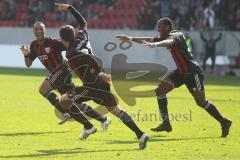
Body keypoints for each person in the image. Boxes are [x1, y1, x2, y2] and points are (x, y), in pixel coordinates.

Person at [115, 17, 232, 138]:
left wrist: (156, 44)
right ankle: (166, 123)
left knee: (201, 102)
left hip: (193, 73)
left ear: (167, 27)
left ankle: (224, 121)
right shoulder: (166, 36)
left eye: (160, 26)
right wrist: (130, 38)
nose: (158, 29)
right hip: (180, 73)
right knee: (160, 90)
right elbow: (150, 39)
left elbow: (169, 42)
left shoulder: (176, 35)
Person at [54, 3, 149, 149]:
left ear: (62, 40)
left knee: (63, 100)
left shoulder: (71, 53)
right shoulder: (82, 36)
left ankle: (88, 126)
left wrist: (100, 72)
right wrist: (70, 8)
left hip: (91, 85)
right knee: (116, 110)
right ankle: (141, 134)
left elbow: (90, 59)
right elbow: (83, 23)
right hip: (100, 83)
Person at [20, 22, 111, 139]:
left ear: (44, 30)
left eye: (41, 29)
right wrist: (26, 55)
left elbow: (70, 44)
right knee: (75, 101)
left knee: (43, 89)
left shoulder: (53, 42)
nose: (38, 31)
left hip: (63, 70)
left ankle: (65, 113)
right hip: (55, 75)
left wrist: (82, 49)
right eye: (36, 29)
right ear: (33, 31)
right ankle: (102, 119)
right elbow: (28, 64)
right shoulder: (34, 46)